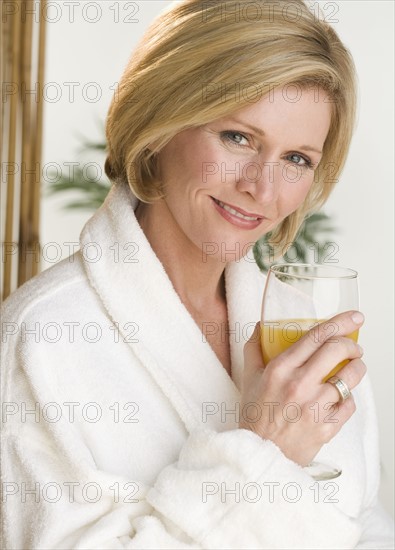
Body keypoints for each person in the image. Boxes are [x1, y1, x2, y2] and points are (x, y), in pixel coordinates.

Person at [1, 0, 394, 548]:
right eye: (238, 137)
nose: (263, 187)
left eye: (297, 159)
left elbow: (365, 524)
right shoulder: (42, 340)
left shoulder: (299, 326)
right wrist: (264, 455)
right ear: (160, 124)